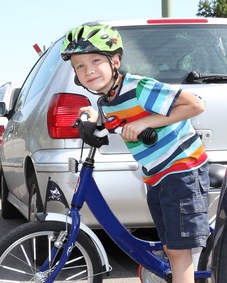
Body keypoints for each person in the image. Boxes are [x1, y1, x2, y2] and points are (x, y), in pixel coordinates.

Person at [61, 23, 210, 283]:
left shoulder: (138, 88)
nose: (89, 70)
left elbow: (195, 105)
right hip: (156, 176)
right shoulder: (107, 101)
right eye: (80, 66)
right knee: (169, 246)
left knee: (178, 250)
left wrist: (146, 122)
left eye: (96, 60)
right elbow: (112, 121)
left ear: (115, 60)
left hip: (182, 169)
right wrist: (92, 116)